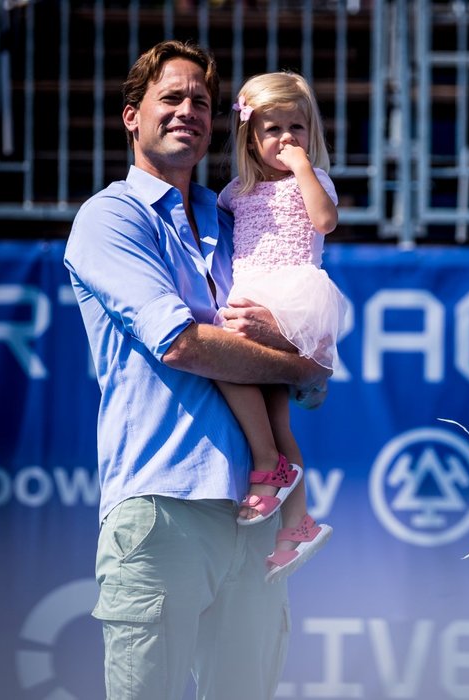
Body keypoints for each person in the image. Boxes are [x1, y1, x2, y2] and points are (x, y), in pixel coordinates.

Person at [64, 40, 330, 699]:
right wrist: (292, 362)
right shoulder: (110, 217)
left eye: (202, 102)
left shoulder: (237, 210)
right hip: (161, 507)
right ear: (132, 115)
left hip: (251, 516)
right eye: (172, 97)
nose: (188, 110)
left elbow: (312, 361)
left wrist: (296, 356)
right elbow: (181, 342)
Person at [214, 70, 342, 582]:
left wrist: (303, 169)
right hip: (249, 292)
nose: (286, 138)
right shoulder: (235, 192)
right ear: (250, 136)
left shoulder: (311, 180)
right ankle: (298, 523)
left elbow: (325, 221)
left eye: (297, 127)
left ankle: (268, 465)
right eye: (272, 129)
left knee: (225, 360)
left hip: (290, 301)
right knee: (276, 414)